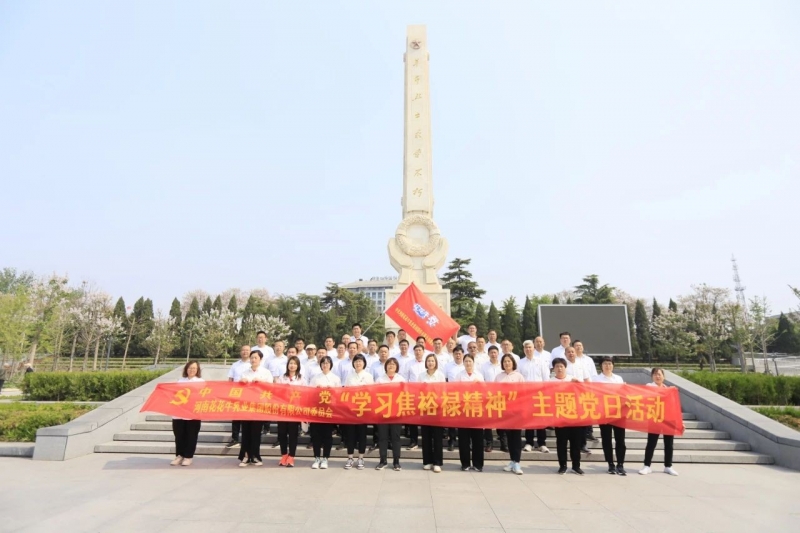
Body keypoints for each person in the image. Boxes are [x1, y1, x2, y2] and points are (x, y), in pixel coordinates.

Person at [640, 368, 680, 476]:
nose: (657, 376)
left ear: (663, 376)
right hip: (654, 419)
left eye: (659, 374)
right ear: (652, 377)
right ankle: (647, 466)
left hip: (668, 419)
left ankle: (668, 466)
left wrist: (680, 421)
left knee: (669, 444)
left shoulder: (668, 389)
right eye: (655, 374)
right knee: (651, 443)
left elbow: (674, 406)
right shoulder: (649, 386)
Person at [239, 351, 274, 467]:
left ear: (260, 359)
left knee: (256, 432)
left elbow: (271, 387)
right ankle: (245, 456)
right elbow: (238, 389)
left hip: (259, 406)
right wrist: (242, 382)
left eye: (256, 358)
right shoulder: (245, 372)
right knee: (245, 432)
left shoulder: (266, 372)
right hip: (246, 406)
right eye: (252, 358)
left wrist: (262, 382)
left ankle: (255, 456)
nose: (253, 360)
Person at [551, 357, 583, 475]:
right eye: (557, 366)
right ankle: (563, 466)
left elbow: (584, 392)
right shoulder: (550, 382)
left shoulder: (573, 379)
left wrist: (579, 384)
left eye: (561, 366)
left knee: (576, 443)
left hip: (574, 415)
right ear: (553, 369)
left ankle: (576, 466)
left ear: (565, 367)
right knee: (561, 443)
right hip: (560, 416)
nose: (559, 368)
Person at [595, 356, 627, 475]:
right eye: (605, 364)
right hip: (604, 413)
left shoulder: (618, 379)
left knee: (620, 440)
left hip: (619, 412)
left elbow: (623, 394)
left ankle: (620, 464)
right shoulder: (596, 379)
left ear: (613, 365)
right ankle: (610, 464)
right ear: (601, 366)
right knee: (606, 439)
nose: (607, 366)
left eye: (610, 363)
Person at [518, 338, 551, 453]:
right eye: (526, 347)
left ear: (534, 348)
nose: (528, 349)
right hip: (526, 395)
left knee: (541, 419)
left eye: (530, 347)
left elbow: (546, 378)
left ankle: (542, 443)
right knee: (529, 420)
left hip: (539, 394)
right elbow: (519, 379)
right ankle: (529, 442)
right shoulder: (520, 363)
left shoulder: (541, 362)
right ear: (524, 349)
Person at [416, 354, 446, 472]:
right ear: (426, 363)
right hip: (425, 409)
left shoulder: (440, 375)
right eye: (428, 361)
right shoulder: (421, 376)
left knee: (437, 437)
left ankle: (437, 462)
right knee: (426, 436)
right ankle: (427, 461)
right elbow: (418, 391)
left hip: (437, 409)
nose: (430, 363)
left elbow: (444, 392)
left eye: (432, 361)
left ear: (436, 363)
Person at [171, 360, 204, 467]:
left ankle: (188, 456)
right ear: (186, 369)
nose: (191, 370)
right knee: (179, 435)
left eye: (194, 368)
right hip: (179, 412)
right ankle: (179, 455)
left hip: (193, 413)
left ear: (197, 370)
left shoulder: (201, 382)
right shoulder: (180, 381)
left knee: (191, 435)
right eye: (190, 368)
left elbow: (203, 396)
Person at [310, 355, 341, 469]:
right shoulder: (315, 378)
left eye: (327, 363)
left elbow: (339, 395)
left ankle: (325, 458)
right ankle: (317, 457)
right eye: (323, 363)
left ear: (331, 365)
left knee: (327, 435)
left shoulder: (335, 378)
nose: (325, 365)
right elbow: (309, 394)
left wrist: (331, 391)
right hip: (317, 411)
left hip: (329, 411)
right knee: (316, 436)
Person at [344, 354, 374, 470]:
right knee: (350, 435)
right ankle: (350, 457)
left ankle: (361, 457)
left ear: (364, 363)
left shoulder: (368, 376)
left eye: (360, 361)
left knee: (362, 435)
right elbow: (345, 392)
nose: (358, 363)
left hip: (363, 410)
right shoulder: (349, 376)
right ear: (353, 363)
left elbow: (372, 392)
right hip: (351, 410)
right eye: (356, 361)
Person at [496, 354, 525, 475]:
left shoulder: (519, 376)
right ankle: (512, 460)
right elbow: (495, 392)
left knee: (516, 437)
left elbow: (524, 393)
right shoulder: (499, 377)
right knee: (509, 437)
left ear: (513, 363)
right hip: (505, 411)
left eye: (509, 361)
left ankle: (517, 462)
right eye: (505, 361)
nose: (507, 363)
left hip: (516, 411)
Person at [455, 354, 484, 472]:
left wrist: (479, 384)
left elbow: (484, 391)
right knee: (463, 439)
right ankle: (465, 463)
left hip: (476, 410)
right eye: (466, 361)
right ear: (463, 363)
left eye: (470, 361)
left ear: (473, 362)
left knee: (478, 438)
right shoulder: (459, 375)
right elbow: (455, 391)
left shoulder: (479, 375)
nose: (468, 363)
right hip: (463, 410)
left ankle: (478, 464)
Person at [375, 357, 405, 471]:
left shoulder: (401, 379)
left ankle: (396, 461)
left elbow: (405, 395)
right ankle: (382, 460)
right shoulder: (380, 379)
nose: (391, 366)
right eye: (389, 364)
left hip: (396, 412)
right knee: (382, 437)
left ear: (397, 367)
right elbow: (375, 394)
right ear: (385, 366)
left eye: (393, 364)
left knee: (395, 437)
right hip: (383, 412)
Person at [275, 355, 304, 467]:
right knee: (282, 433)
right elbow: (276, 392)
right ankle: (284, 455)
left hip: (294, 411)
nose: (292, 365)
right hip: (282, 410)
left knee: (293, 434)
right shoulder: (281, 378)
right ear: (287, 365)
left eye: (294, 364)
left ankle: (291, 456)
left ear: (298, 366)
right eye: (290, 363)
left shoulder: (301, 379)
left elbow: (304, 394)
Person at [570, 340, 599, 447]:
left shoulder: (588, 360)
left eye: (580, 345)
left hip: (586, 390)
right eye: (576, 346)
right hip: (572, 393)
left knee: (587, 412)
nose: (578, 347)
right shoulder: (569, 361)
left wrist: (592, 388)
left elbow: (593, 375)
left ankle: (589, 433)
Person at [226, 344, 251, 448]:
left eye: (247, 350)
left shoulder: (253, 364)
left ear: (250, 352)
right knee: (235, 417)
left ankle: (246, 439)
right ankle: (235, 439)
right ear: (240, 352)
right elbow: (230, 379)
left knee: (246, 418)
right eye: (243, 350)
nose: (245, 352)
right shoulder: (235, 365)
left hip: (249, 394)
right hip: (236, 393)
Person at [481, 346, 504, 453]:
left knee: (501, 420)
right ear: (488, 354)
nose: (493, 354)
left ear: (498, 353)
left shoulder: (502, 365)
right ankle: (489, 443)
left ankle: (503, 443)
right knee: (488, 421)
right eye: (491, 352)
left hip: (501, 396)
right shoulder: (484, 366)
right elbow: (482, 380)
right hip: (488, 396)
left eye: (495, 352)